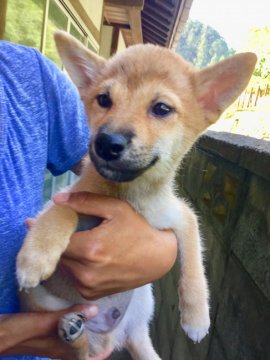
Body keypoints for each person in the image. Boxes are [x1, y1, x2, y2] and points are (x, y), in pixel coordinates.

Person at [0, 40, 177, 359]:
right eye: (106, 101)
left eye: (160, 109)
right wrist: (16, 333)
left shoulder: (29, 75)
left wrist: (161, 248)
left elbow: (97, 165)